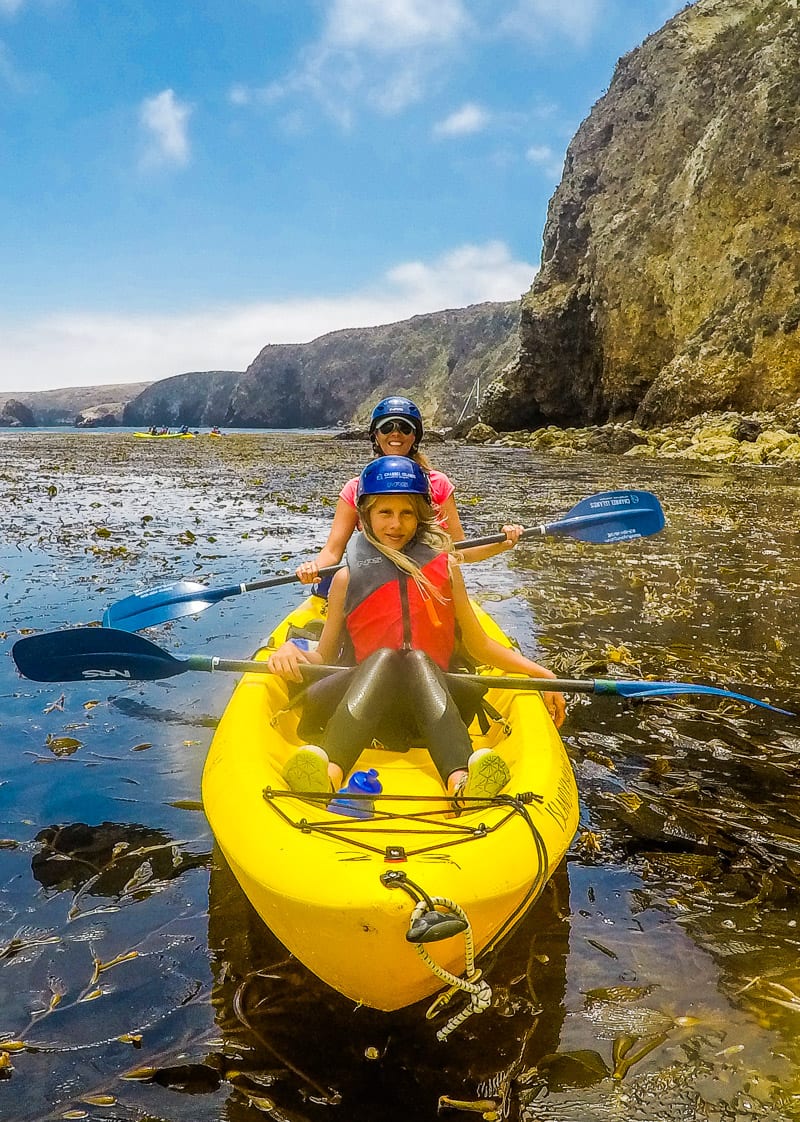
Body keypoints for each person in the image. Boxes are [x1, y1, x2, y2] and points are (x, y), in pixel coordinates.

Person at [268, 455, 565, 803]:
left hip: (432, 707)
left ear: (421, 516)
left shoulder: (446, 570)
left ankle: (461, 781)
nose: (396, 524)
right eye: (385, 513)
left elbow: (480, 646)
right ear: (366, 516)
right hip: (363, 706)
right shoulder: (347, 578)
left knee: (417, 659)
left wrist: (543, 674)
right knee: (384, 657)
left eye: (407, 513)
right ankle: (328, 774)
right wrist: (293, 652)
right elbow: (324, 654)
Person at [295, 395, 523, 586]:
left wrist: (503, 542)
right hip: (374, 585)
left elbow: (459, 550)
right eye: (387, 427)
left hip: (426, 584)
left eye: (405, 428)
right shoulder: (355, 489)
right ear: (376, 435)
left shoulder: (438, 484)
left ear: (415, 437)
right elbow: (333, 552)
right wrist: (314, 568)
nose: (396, 433)